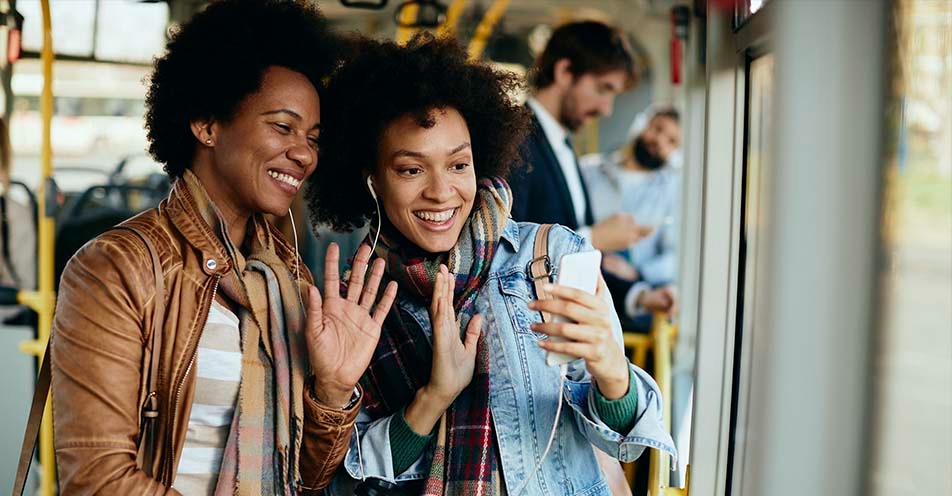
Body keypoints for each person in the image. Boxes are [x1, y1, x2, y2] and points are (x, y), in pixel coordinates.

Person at [49, 1, 396, 494]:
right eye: (282, 126)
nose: (303, 153)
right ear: (207, 124)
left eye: (314, 138)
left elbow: (308, 478)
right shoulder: (117, 268)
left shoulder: (285, 279)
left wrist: (334, 390)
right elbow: (97, 480)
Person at [307, 33, 674, 495]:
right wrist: (433, 398)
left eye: (458, 165)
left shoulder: (551, 257)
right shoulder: (356, 303)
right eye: (411, 169)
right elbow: (347, 477)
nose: (442, 192)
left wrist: (612, 372)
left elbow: (620, 444)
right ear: (373, 181)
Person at [508, 20, 676, 329]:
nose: (607, 108)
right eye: (603, 89)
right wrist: (595, 238)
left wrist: (641, 296)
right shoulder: (514, 141)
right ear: (564, 72)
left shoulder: (564, 148)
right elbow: (506, 249)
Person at [582, 107, 682, 287]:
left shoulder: (671, 191)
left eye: (672, 141)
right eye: (658, 128)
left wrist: (639, 273)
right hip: (580, 275)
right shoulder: (589, 170)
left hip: (632, 293)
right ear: (642, 124)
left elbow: (676, 257)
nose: (659, 141)